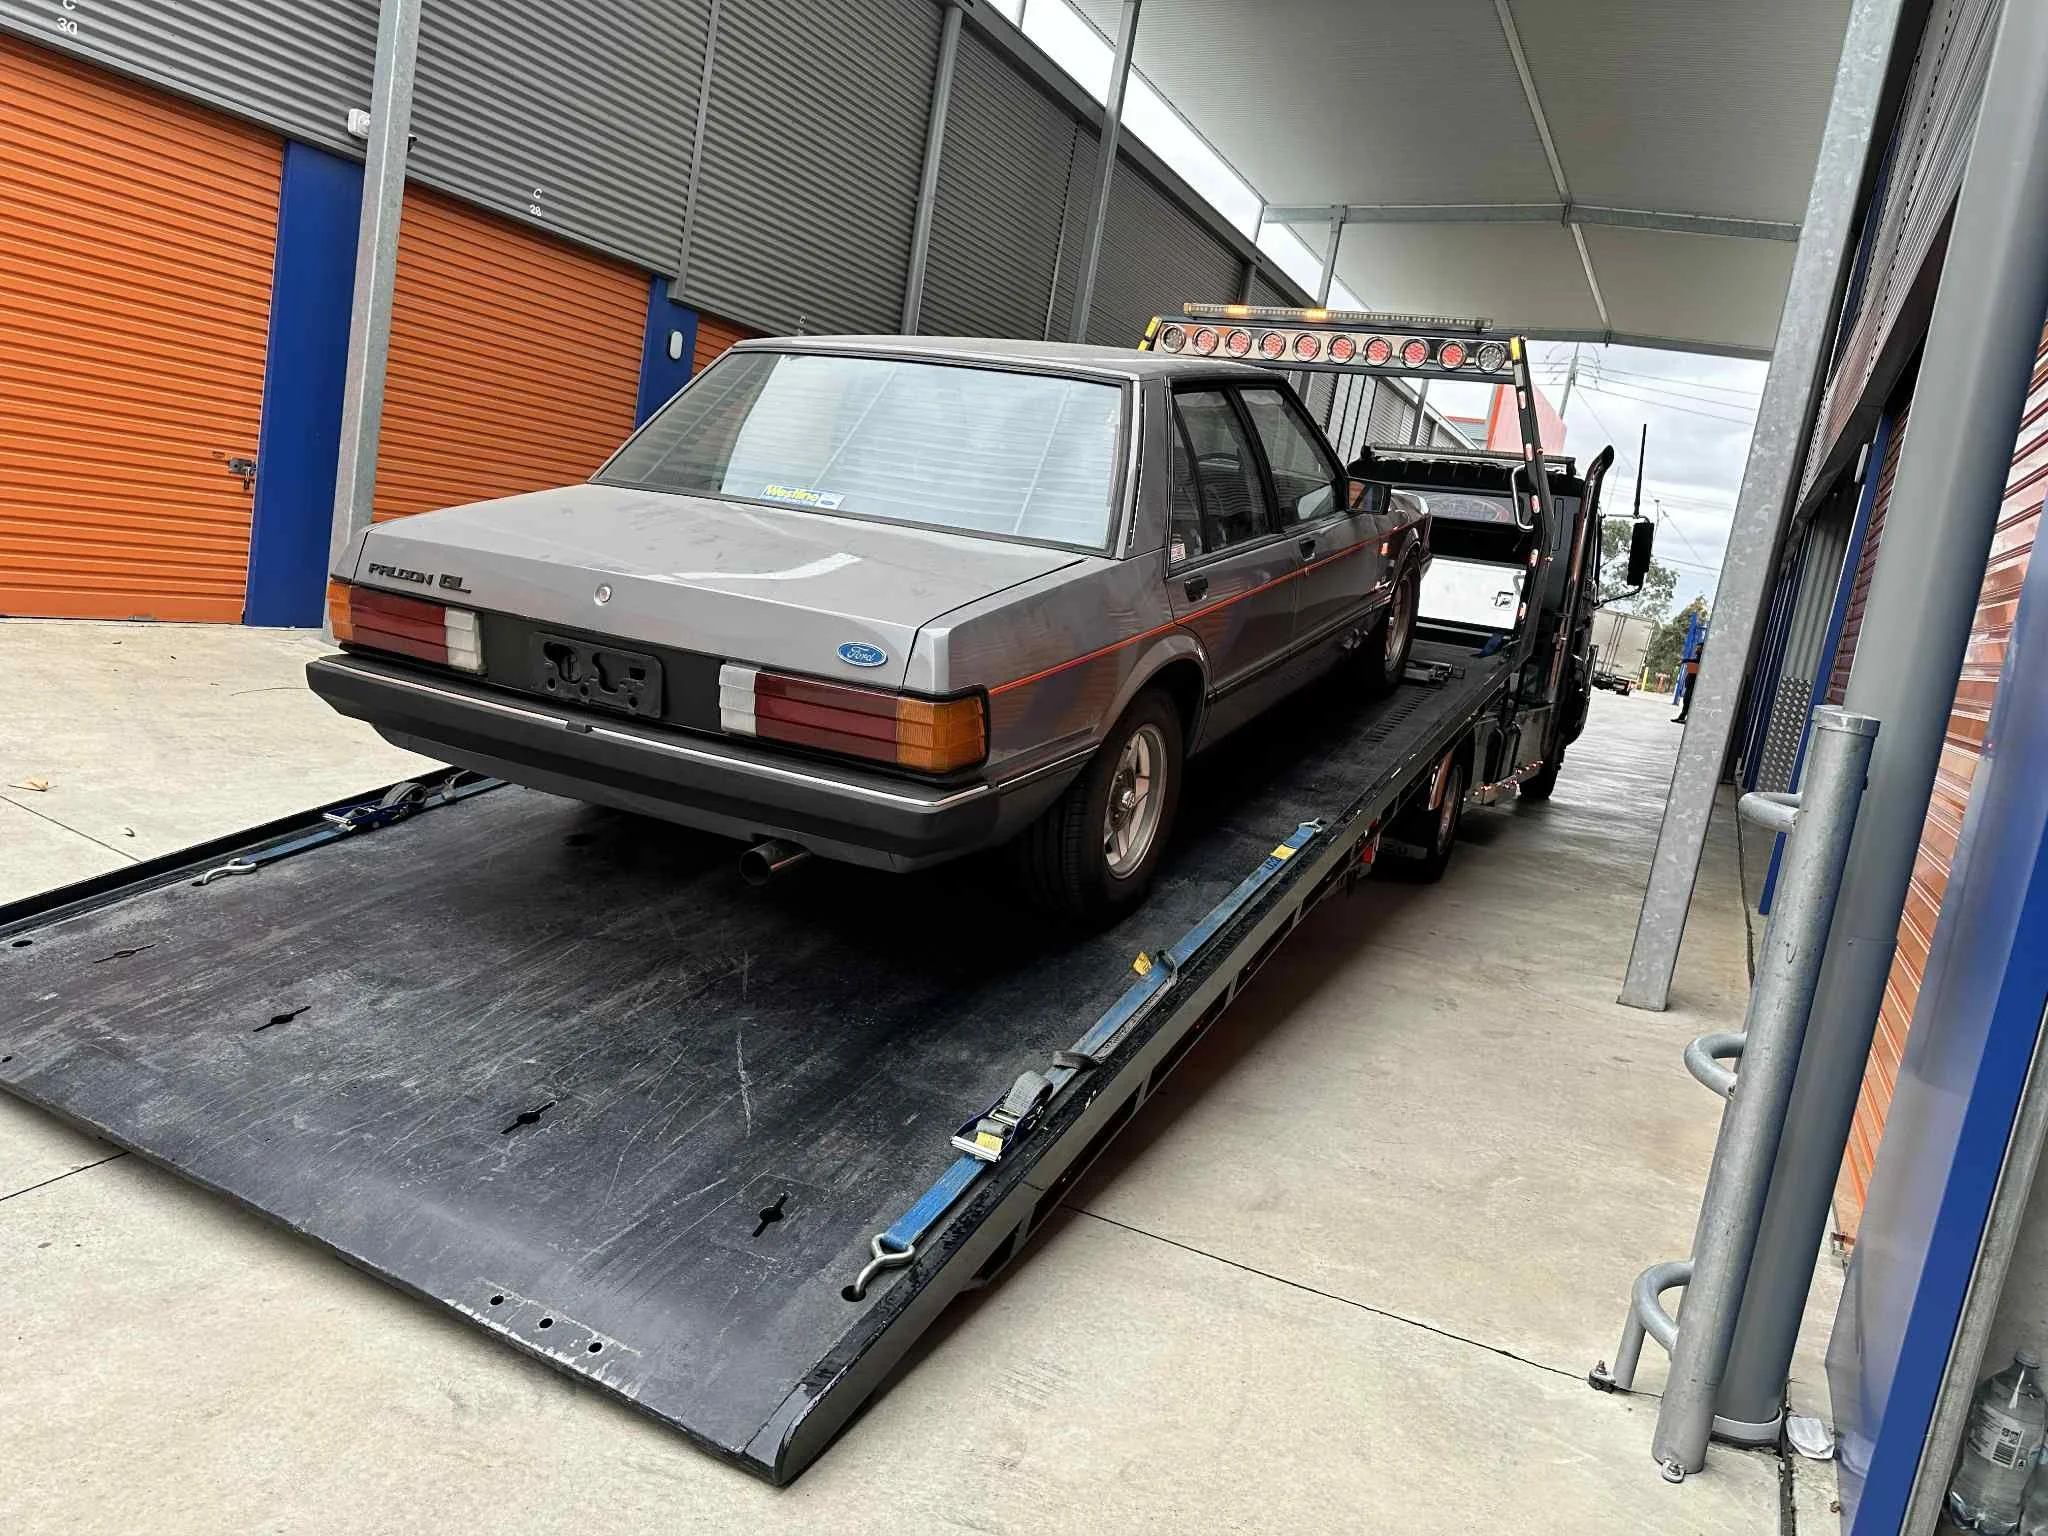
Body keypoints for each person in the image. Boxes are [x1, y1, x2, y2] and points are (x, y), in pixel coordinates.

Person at [1673, 651, 1701, 724]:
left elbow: (1696, 662)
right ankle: (1681, 717)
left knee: (1689, 702)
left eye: (1699, 648)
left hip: (1693, 685)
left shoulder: (1701, 659)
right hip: (1689, 684)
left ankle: (1687, 719)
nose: (1696, 650)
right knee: (1686, 701)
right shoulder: (1696, 659)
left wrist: (1684, 660)